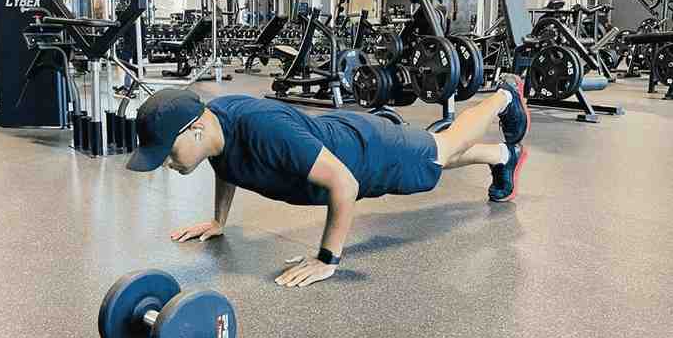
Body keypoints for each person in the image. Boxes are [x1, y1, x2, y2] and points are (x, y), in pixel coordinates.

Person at [126, 79, 530, 288]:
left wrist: (326, 259)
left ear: (194, 130)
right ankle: (504, 156)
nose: (166, 164)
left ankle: (503, 98)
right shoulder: (214, 127)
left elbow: (344, 184)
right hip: (341, 142)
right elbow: (225, 166)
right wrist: (218, 222)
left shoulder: (262, 130)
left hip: (366, 153)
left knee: (441, 148)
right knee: (429, 164)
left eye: (167, 153)